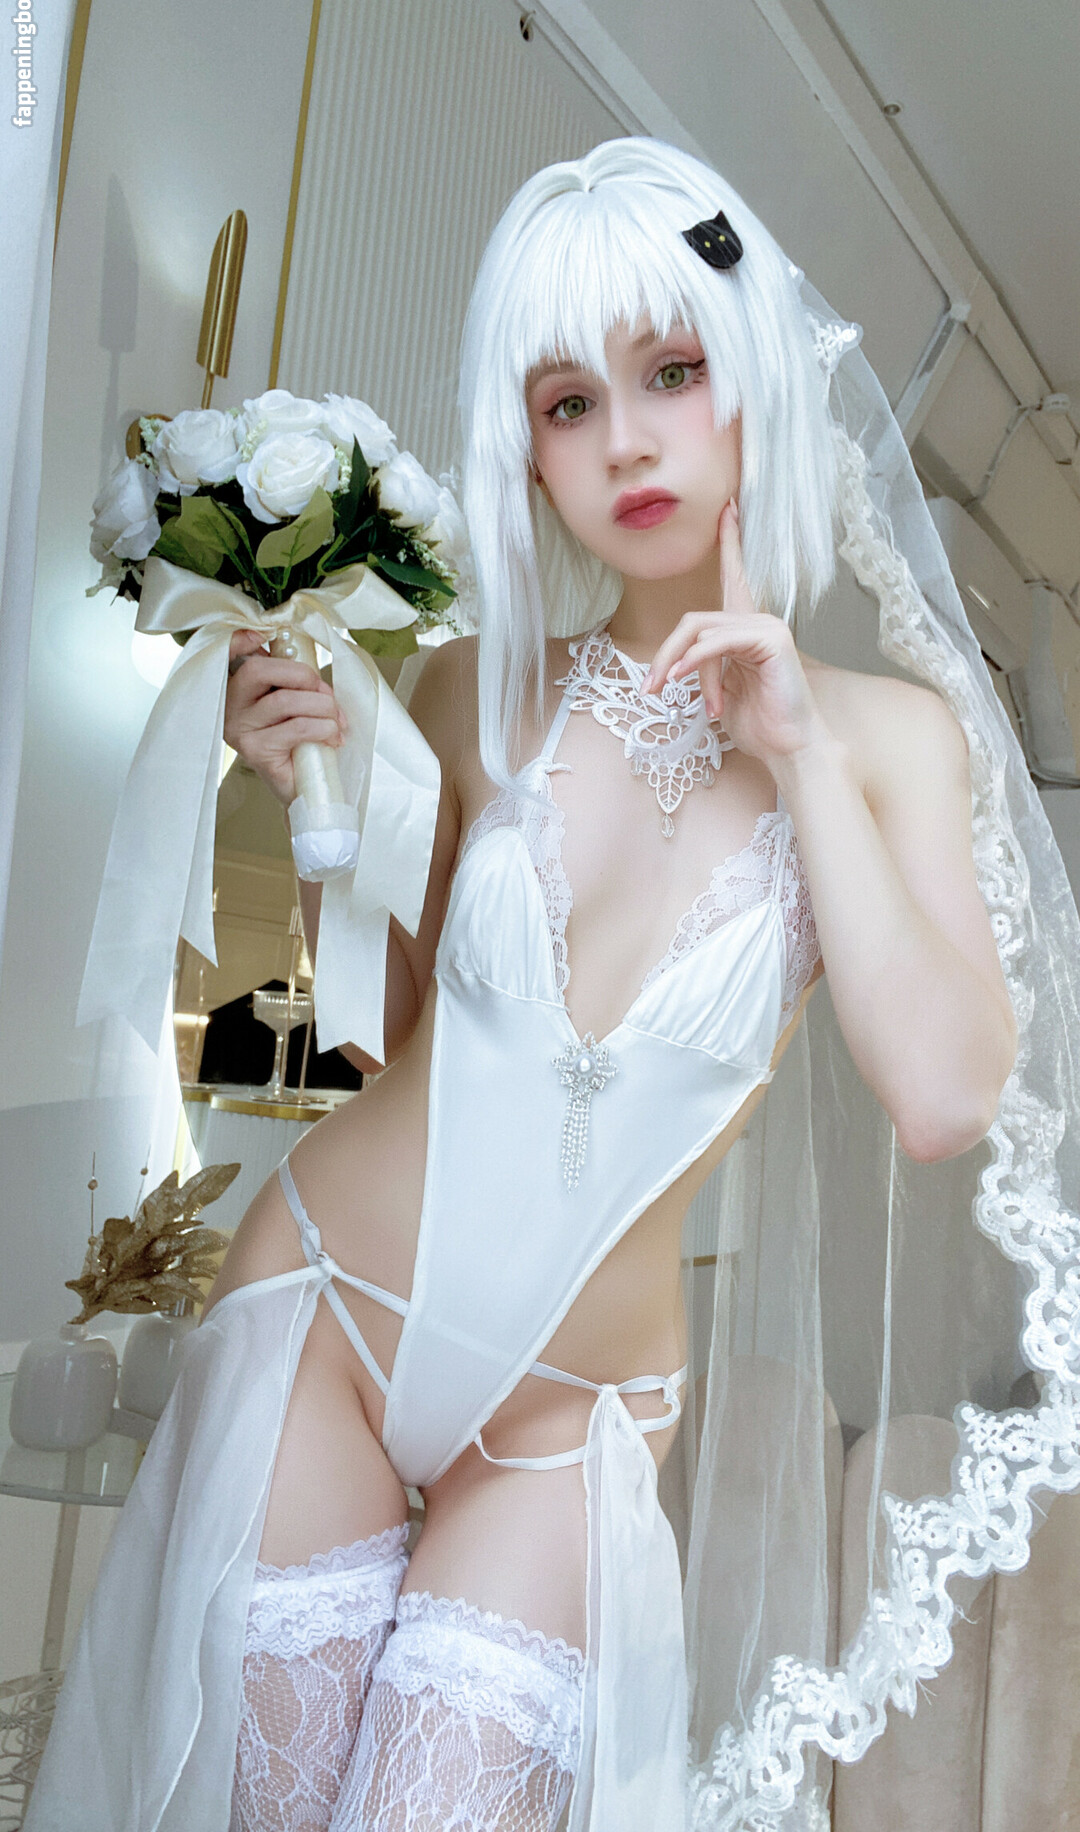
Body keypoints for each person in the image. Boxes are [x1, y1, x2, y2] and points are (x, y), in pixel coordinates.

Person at [33, 137, 1073, 1832]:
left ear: (757, 385)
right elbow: (382, 1042)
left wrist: (798, 748)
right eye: (569, 402)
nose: (628, 440)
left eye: (671, 374)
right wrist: (299, 797)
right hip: (323, 1320)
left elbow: (949, 1096)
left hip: (573, 1424)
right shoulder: (467, 690)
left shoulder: (891, 743)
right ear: (526, 447)